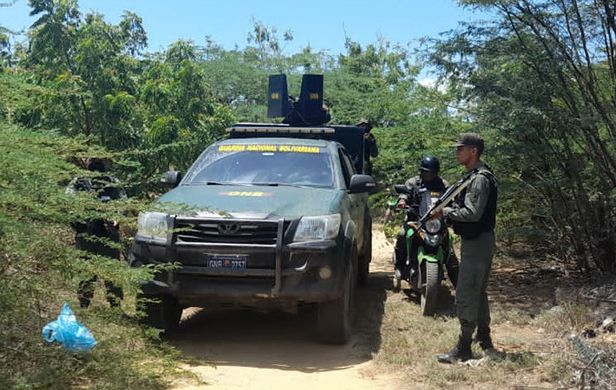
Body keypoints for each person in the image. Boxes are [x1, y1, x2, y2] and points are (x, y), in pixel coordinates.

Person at [434, 133, 498, 363]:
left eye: (461, 148)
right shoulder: (472, 176)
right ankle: (484, 338)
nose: (456, 152)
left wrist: (445, 212)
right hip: (479, 240)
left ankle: (464, 346)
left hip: (478, 241)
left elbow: (472, 214)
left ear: (473, 151)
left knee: (467, 290)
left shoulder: (479, 178)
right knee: (477, 290)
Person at [67, 158, 126, 308]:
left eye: (99, 161)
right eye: (93, 161)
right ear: (87, 164)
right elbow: (68, 202)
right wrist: (77, 219)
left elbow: (123, 203)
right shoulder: (78, 182)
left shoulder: (113, 182)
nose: (96, 165)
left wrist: (116, 218)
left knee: (112, 271)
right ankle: (84, 304)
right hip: (86, 233)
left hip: (108, 234)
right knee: (87, 271)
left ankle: (115, 305)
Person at [393, 156, 451, 281]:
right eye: (426, 172)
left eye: (432, 172)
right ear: (421, 171)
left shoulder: (443, 184)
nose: (429, 175)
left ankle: (456, 279)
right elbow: (405, 193)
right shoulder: (413, 182)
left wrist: (453, 205)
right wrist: (402, 200)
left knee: (448, 242)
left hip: (436, 221)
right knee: (403, 234)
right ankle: (399, 266)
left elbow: (451, 197)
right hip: (415, 219)